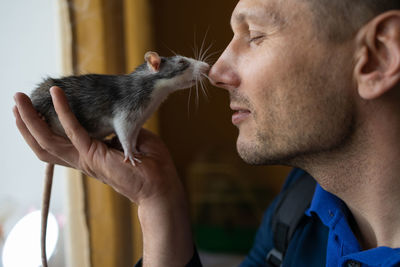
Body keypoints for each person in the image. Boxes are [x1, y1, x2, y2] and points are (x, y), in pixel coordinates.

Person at [13, 0, 400, 266]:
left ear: (378, 57)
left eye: (255, 35)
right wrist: (158, 203)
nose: (216, 72)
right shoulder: (297, 207)